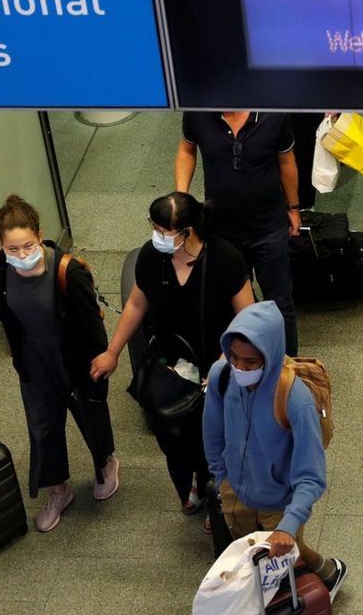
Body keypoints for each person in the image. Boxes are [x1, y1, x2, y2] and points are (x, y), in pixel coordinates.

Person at [0, 194, 118, 533]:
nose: (20, 255)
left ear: (40, 235)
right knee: (43, 429)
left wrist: (100, 365)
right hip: (34, 365)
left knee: (89, 417)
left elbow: (92, 329)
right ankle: (58, 489)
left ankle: (105, 463)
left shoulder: (67, 271)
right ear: (1, 246)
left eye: (27, 246)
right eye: (12, 249)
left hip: (73, 365)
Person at [89, 192, 254, 524]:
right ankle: (190, 483)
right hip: (170, 368)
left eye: (164, 229)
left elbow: (247, 317)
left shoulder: (225, 259)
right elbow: (137, 304)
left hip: (215, 369)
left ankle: (218, 497)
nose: (157, 235)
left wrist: (226, 361)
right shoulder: (153, 257)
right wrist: (113, 351)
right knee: (174, 440)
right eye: (155, 227)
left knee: (216, 438)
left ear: (187, 231)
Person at [204, 301, 347, 599]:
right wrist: (223, 480)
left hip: (279, 501)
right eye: (234, 358)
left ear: (268, 357)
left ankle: (320, 576)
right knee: (252, 559)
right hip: (236, 493)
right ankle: (327, 573)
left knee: (283, 561)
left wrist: (289, 523)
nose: (240, 368)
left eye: (250, 362)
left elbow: (311, 474)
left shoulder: (295, 399)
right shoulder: (222, 376)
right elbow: (213, 434)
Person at [176, 111, 302, 356]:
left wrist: (293, 207)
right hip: (222, 231)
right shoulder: (197, 112)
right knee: (234, 300)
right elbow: (186, 150)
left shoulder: (273, 113)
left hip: (268, 227)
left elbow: (286, 160)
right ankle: (244, 362)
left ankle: (287, 368)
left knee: (279, 302)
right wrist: (182, 199)